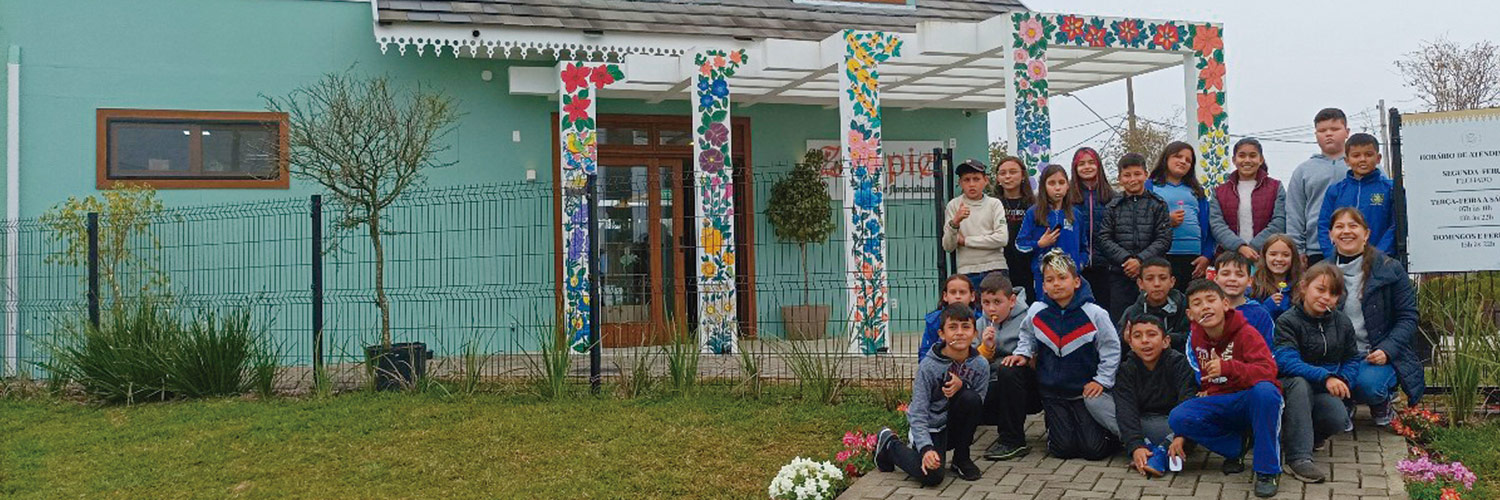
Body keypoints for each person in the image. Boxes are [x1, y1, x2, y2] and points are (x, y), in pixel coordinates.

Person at [1002, 249, 1121, 460]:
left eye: (1062, 277)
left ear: (1076, 281)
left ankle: (1111, 436)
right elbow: (1027, 335)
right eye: (1050, 279)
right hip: (1052, 395)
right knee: (1062, 450)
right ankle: (1054, 428)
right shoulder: (1037, 310)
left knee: (1093, 451)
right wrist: (1023, 353)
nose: (1056, 283)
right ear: (1044, 286)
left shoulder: (1095, 313)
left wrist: (1102, 381)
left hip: (1084, 394)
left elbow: (1111, 348)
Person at [1171, 279, 1283, 498]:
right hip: (1222, 400)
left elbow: (1268, 371)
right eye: (1197, 303)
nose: (1205, 306)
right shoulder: (1196, 337)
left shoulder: (1246, 333)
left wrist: (1228, 367)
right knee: (1179, 416)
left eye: (1211, 300)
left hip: (1250, 399)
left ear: (1225, 304)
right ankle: (1235, 447)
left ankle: (1267, 471)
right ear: (1190, 314)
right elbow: (1205, 380)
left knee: (1267, 392)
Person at [1326, 207, 1423, 423]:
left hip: (1376, 355)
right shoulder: (1322, 272)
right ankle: (1343, 403)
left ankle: (1381, 400)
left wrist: (1387, 350)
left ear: (1366, 234)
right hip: (1338, 357)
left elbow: (1408, 317)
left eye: (1353, 226)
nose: (1346, 231)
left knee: (1368, 386)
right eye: (1339, 227)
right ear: (1331, 235)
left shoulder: (1390, 269)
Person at [875, 303, 990, 484]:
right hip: (932, 426)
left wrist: (963, 386)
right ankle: (890, 445)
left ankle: (961, 459)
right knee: (933, 477)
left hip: (954, 427)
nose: (960, 333)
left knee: (971, 398)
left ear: (975, 333)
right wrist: (926, 448)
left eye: (966, 327)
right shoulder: (928, 366)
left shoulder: (981, 365)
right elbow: (918, 411)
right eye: (953, 327)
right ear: (942, 334)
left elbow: (978, 405)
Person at [1274, 263, 1359, 484]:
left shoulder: (1342, 322)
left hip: (1323, 388)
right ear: (1304, 287)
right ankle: (1298, 458)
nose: (1326, 297)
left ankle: (1310, 436)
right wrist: (1325, 376)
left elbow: (1352, 357)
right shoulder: (1287, 321)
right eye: (1320, 289)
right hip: (1291, 387)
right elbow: (1286, 361)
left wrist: (1343, 379)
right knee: (1300, 384)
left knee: (1339, 419)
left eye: (1333, 293)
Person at [1114, 314, 1197, 478]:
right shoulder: (1126, 369)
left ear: (1166, 341)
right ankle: (1149, 450)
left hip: (1171, 425)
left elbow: (1187, 402)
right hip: (1141, 422)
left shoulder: (1179, 364)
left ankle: (1165, 448)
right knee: (1096, 401)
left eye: (1151, 334)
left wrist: (1180, 436)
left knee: (1199, 413)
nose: (1145, 341)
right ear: (1130, 344)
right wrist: (1136, 445)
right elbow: (1126, 409)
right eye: (1137, 336)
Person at [1096, 152, 1174, 321]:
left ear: (1145, 175)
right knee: (1121, 321)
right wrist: (1126, 260)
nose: (1133, 179)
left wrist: (1140, 261)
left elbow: (1164, 238)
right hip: (1120, 274)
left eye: (1137, 174)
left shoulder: (1158, 204)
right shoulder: (1113, 207)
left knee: (1153, 321)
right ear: (1120, 178)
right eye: (1127, 175)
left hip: (1151, 275)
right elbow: (1104, 238)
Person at [973, 273, 1042, 461]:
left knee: (1008, 369)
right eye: (986, 303)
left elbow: (1036, 351)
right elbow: (971, 362)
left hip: (1026, 385)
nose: (991, 308)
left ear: (1012, 301)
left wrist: (1022, 357)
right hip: (994, 384)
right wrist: (985, 349)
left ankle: (1012, 440)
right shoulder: (980, 325)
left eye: (997, 302)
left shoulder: (1027, 319)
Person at [1147, 141, 1215, 292]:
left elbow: (1209, 228)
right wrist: (1166, 221)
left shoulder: (1197, 191)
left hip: (1194, 259)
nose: (1183, 161)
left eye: (1188, 160)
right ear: (1166, 159)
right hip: (1162, 256)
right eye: (1178, 156)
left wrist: (1206, 256)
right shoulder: (1150, 187)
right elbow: (1141, 221)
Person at [1287, 108, 1351, 265]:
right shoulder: (1303, 171)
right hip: (1315, 250)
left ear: (1347, 132)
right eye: (1322, 130)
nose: (1328, 134)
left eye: (1335, 129)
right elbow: (1294, 213)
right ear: (1316, 134)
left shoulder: (1364, 167)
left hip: (1359, 247)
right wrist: (1298, 249)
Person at [1318, 133, 1395, 255]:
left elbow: (1395, 226)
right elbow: (1324, 225)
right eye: (1356, 155)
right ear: (1347, 160)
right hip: (1342, 262)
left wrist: (1378, 255)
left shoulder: (1390, 189)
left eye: (1368, 155)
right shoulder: (1335, 191)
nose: (1362, 159)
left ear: (1378, 158)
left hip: (1381, 260)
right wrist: (1331, 255)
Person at [1015, 165, 1087, 294]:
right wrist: (1039, 244)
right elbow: (1020, 244)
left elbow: (1084, 248)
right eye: (1052, 183)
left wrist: (1078, 264)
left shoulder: (1076, 215)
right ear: (1044, 186)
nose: (1057, 187)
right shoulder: (1034, 213)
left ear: (1067, 185)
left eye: (1061, 182)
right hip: (1044, 277)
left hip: (1070, 277)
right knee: (1047, 312)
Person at [1210, 138, 1285, 260]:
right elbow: (1217, 224)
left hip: (1266, 258)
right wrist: (1239, 247)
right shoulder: (1219, 192)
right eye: (1242, 156)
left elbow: (1279, 222)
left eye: (1253, 156)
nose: (1247, 160)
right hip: (1229, 258)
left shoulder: (1276, 187)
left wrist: (1253, 247)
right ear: (1234, 160)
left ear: (1261, 160)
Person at [943, 159, 1010, 292]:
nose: (971, 184)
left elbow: (1002, 239)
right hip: (966, 271)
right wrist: (955, 222)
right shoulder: (954, 205)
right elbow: (948, 246)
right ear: (960, 183)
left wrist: (965, 241)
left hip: (995, 268)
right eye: (966, 180)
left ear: (985, 180)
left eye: (976, 179)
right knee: (970, 312)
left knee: (996, 311)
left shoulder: (994, 204)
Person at [1071, 147, 1117, 315]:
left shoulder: (1112, 196)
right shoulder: (1068, 197)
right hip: (1077, 267)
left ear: (1098, 166)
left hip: (1106, 266)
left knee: (1104, 312)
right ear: (1075, 168)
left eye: (1091, 162)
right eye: (1081, 164)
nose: (1087, 167)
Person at [1119, 257, 1191, 352]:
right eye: (1150, 279)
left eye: (1163, 278)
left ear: (1172, 282)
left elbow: (1190, 338)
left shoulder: (1185, 307)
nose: (1157, 284)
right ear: (1140, 284)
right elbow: (1119, 344)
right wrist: (1125, 340)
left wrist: (1162, 338)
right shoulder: (1132, 312)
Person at [1212, 251, 1278, 346]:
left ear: (1249, 281)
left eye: (1239, 275)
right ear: (1216, 278)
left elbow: (1270, 349)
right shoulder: (1209, 310)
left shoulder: (1260, 314)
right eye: (1225, 274)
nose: (1232, 279)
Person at [996, 156, 1038, 299]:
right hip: (1001, 267)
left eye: (1013, 172)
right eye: (1003, 173)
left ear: (1023, 176)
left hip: (1029, 267)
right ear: (997, 178)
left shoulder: (1035, 205)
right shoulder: (993, 204)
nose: (1008, 176)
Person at [920, 274, 975, 360]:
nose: (958, 296)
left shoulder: (980, 320)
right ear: (945, 296)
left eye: (962, 292)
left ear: (972, 296)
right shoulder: (933, 321)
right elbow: (925, 352)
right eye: (953, 292)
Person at [1250, 235, 1305, 319]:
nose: (1279, 259)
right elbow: (1252, 321)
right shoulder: (1254, 287)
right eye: (1273, 254)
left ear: (1293, 258)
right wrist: (1267, 307)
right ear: (1264, 256)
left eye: (1285, 255)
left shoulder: (1302, 287)